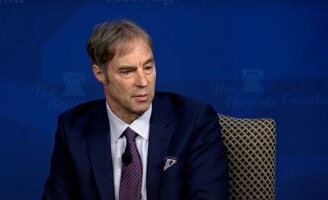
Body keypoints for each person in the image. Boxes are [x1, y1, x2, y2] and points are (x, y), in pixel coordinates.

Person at [42, 19, 229, 200]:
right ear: (100, 74)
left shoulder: (193, 121)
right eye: (127, 72)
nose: (143, 82)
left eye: (148, 67)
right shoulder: (74, 128)